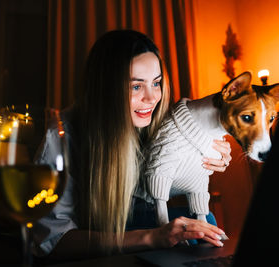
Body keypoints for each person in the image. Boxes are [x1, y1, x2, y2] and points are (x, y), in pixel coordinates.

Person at [33, 30, 231, 261]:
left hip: (141, 235)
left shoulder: (156, 124)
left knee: (205, 227)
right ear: (106, 89)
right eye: (136, 86)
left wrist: (204, 159)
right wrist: (153, 237)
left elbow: (159, 184)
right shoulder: (62, 136)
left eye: (156, 83)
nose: (152, 98)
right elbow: (52, 241)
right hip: (100, 253)